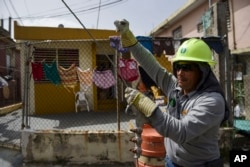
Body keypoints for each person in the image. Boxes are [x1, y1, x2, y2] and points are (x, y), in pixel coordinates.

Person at [114, 19, 228, 167]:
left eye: (187, 67)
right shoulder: (176, 87)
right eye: (178, 66)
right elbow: (152, 66)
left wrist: (147, 106)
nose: (180, 73)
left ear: (202, 71)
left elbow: (181, 132)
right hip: (171, 162)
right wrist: (131, 40)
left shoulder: (212, 101)